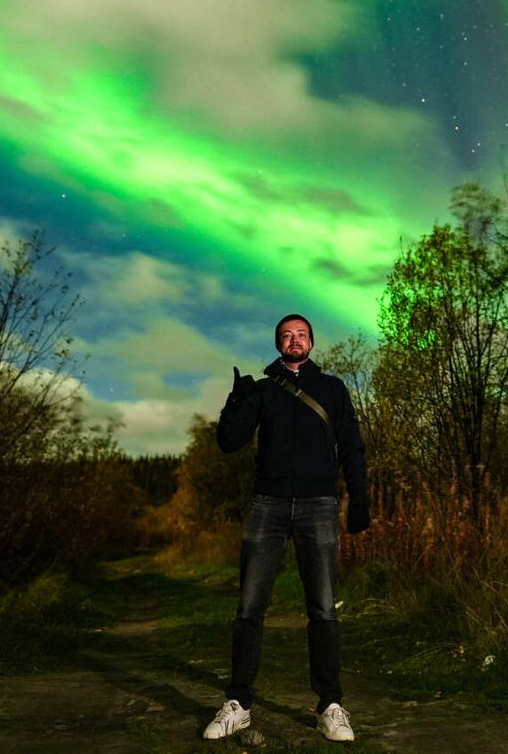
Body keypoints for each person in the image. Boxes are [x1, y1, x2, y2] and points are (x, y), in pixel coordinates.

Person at [202, 313, 370, 743]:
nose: (294, 340)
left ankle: (330, 706)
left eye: (301, 334)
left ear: (311, 343)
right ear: (278, 343)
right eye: (286, 335)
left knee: (324, 608)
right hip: (269, 504)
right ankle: (238, 704)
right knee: (249, 607)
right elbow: (229, 441)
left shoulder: (332, 388)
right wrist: (236, 401)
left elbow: (351, 445)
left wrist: (360, 498)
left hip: (319, 504)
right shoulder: (262, 390)